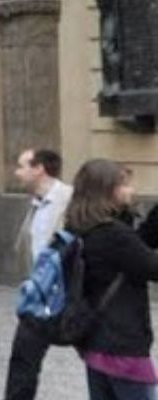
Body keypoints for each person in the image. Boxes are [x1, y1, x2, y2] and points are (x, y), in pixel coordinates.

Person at [63, 159, 158, 400]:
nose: (132, 190)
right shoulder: (114, 235)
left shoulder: (79, 227)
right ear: (107, 191)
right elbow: (150, 266)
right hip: (123, 347)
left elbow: (135, 250)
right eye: (125, 185)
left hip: (95, 342)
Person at [4, 148, 74, 400]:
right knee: (22, 362)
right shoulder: (35, 203)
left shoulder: (69, 199)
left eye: (22, 166)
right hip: (38, 297)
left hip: (68, 296)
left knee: (98, 358)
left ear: (39, 169)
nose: (17, 172)